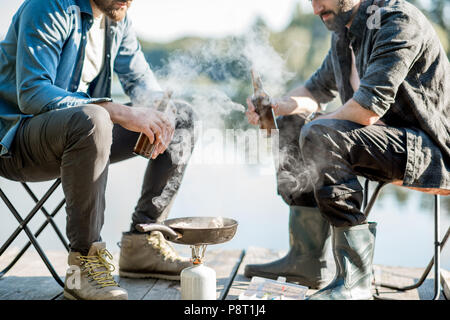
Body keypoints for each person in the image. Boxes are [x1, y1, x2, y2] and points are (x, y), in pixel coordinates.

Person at [245, 0, 449, 300]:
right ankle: (307, 258)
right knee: (291, 123)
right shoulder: (344, 33)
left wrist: (313, 127)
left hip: (430, 154)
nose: (315, 10)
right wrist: (279, 105)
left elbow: (367, 109)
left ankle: (355, 280)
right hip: (380, 145)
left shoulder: (397, 21)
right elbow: (315, 91)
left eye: (320, 0)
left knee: (318, 133)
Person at [0, 0, 196, 300]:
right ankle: (84, 264)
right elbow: (32, 93)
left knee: (180, 118)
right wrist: (117, 111)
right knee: (94, 118)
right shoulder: (48, 6)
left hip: (78, 139)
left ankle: (144, 241)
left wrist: (157, 107)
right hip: (16, 143)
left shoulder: (117, 16)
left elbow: (141, 80)